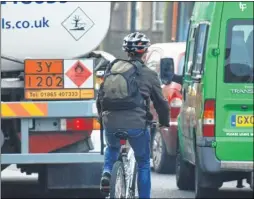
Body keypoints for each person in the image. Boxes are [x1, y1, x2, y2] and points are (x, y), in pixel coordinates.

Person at [96, 32, 169, 198]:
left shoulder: (113, 68)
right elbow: (161, 103)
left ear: (126, 51)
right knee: (143, 162)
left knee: (113, 147)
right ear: (144, 52)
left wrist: (102, 118)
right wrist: (164, 122)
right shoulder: (150, 74)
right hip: (137, 124)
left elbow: (101, 97)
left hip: (111, 122)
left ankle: (107, 172)